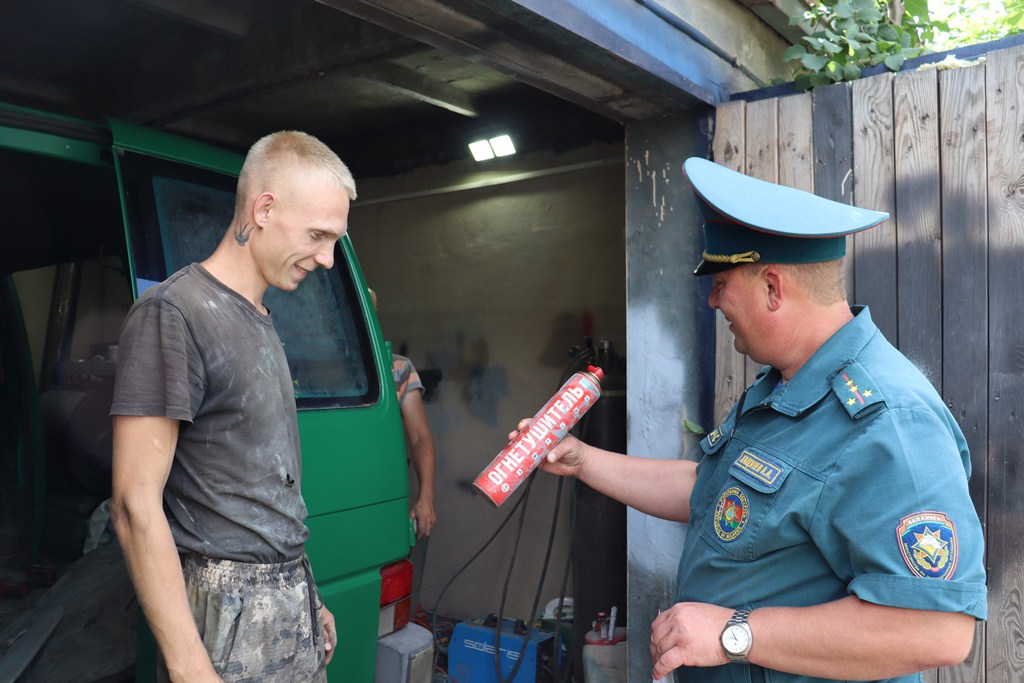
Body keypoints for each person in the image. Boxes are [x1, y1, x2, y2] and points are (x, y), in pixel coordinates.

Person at [524, 157, 987, 683]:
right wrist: (582, 459)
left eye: (721, 281)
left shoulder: (889, 422)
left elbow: (938, 630)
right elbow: (712, 490)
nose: (713, 298)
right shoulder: (785, 383)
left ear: (773, 287)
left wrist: (732, 634)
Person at [109, 130, 357, 682]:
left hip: (287, 601)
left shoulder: (260, 316)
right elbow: (133, 504)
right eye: (318, 235)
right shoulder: (174, 313)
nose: (326, 258)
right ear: (264, 208)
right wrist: (189, 665)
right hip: (225, 614)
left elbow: (260, 489)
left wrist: (305, 599)